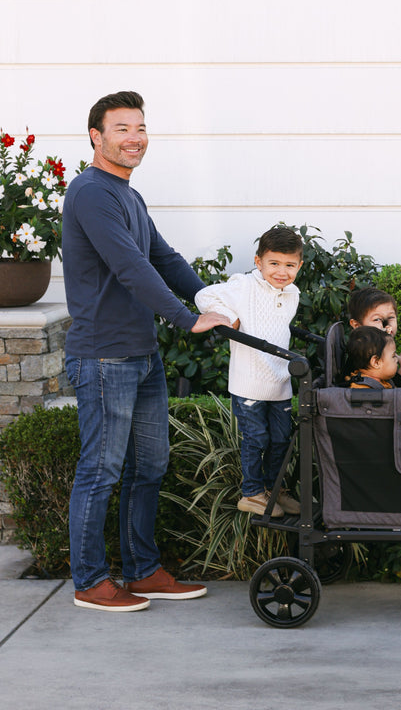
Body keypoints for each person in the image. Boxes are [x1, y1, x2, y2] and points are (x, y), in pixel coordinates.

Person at [63, 90, 232, 613]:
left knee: (149, 467)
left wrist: (210, 299)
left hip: (141, 354)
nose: (135, 138)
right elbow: (130, 268)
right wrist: (186, 319)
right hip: (104, 355)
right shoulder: (91, 192)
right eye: (122, 129)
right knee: (101, 471)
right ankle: (90, 581)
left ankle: (141, 571)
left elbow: (162, 256)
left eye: (140, 128)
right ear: (96, 136)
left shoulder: (126, 194)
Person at [194, 226, 304, 517]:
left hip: (280, 382)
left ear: (299, 266)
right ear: (259, 262)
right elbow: (204, 296)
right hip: (249, 384)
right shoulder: (243, 286)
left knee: (281, 439)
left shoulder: (292, 293)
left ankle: (275, 489)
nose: (282, 271)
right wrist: (231, 319)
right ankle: (252, 492)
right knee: (257, 439)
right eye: (274, 263)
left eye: (290, 265)